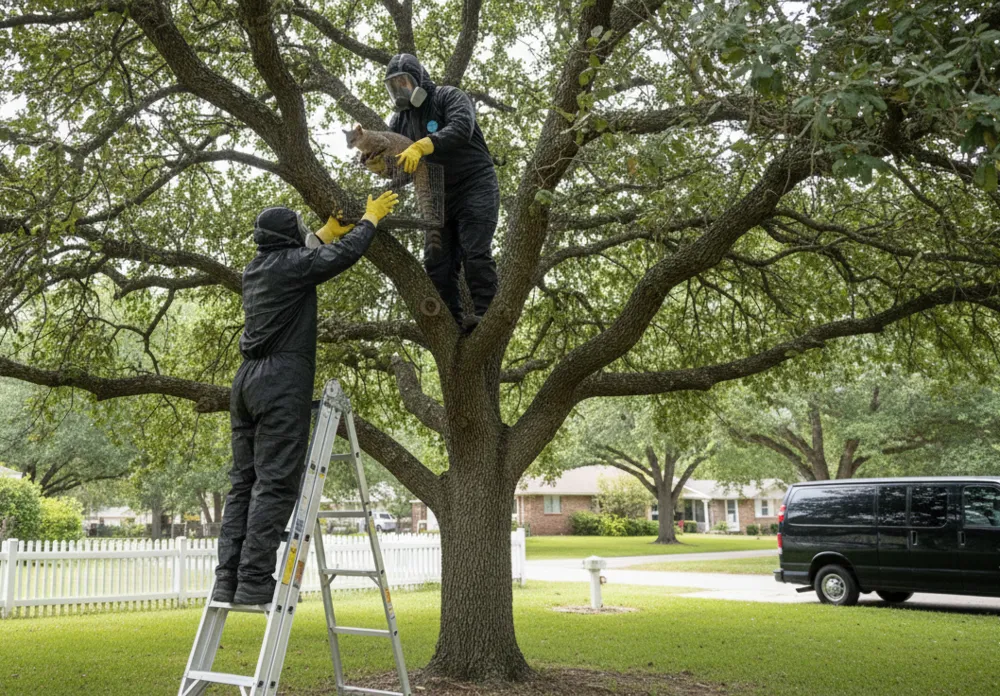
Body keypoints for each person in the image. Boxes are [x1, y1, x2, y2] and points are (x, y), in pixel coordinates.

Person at [214, 191, 398, 605]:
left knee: (243, 483)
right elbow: (339, 257)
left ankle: (228, 578)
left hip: (245, 383)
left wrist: (324, 232)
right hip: (281, 379)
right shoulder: (292, 267)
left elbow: (299, 258)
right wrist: (370, 219)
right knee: (276, 481)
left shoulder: (256, 269)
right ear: (287, 237)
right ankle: (255, 581)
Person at [385, 53, 500, 332]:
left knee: (475, 251)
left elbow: (462, 128)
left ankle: (487, 318)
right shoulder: (399, 120)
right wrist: (380, 163)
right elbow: (397, 166)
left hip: (475, 184)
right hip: (437, 196)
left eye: (404, 83)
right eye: (394, 86)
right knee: (436, 262)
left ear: (419, 80)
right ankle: (452, 324)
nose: (400, 91)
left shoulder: (448, 97)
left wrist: (423, 145)